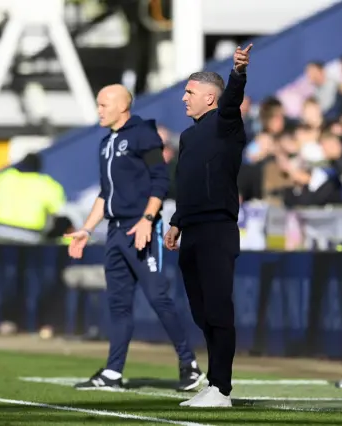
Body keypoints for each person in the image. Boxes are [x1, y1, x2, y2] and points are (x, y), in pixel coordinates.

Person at [65, 84, 204, 392]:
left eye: (104, 104)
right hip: (114, 231)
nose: (99, 110)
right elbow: (106, 194)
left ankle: (189, 365)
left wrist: (146, 220)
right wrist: (87, 229)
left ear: (122, 107)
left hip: (140, 228)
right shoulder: (105, 143)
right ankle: (113, 372)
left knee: (157, 296)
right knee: (118, 303)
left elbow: (160, 181)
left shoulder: (143, 134)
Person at [164, 44, 252, 408]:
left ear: (211, 98)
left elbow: (233, 100)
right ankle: (214, 383)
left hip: (218, 228)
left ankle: (222, 389)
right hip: (193, 229)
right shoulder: (187, 137)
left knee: (217, 309)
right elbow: (186, 184)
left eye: (190, 92)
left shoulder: (226, 123)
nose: (184, 98)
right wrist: (176, 223)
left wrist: (238, 72)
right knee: (202, 312)